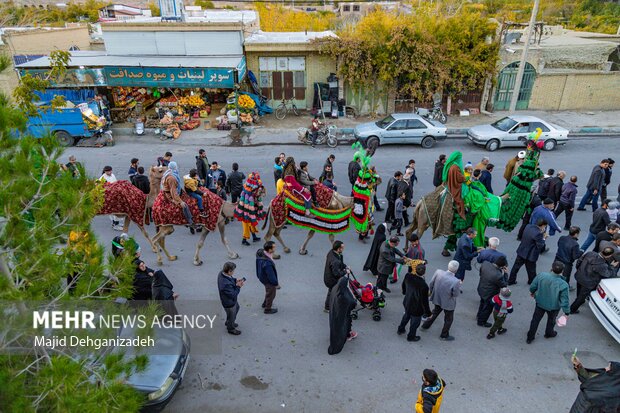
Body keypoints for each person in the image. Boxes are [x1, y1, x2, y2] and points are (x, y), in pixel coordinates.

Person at [526, 261, 570, 344]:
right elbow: (565, 300)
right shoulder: (563, 284)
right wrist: (566, 312)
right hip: (554, 307)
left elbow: (533, 286)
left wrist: (533, 292)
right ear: (562, 271)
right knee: (551, 320)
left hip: (540, 302)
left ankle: (530, 337)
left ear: (552, 268)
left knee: (535, 320)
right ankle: (549, 333)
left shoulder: (542, 275)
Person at [421, 261, 462, 341]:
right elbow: (455, 294)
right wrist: (459, 285)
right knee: (448, 319)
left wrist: (432, 292)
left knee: (435, 312)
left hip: (437, 298)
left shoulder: (438, 272)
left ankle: (425, 325)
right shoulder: (456, 281)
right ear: (456, 270)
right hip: (448, 303)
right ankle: (444, 335)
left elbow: (431, 284)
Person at [570, 248, 617, 314]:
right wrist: (612, 266)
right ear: (609, 256)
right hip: (588, 283)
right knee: (581, 297)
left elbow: (579, 261)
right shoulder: (602, 265)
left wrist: (579, 270)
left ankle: (579, 299)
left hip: (580, 275)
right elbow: (608, 275)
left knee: (579, 289)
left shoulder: (590, 253)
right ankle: (572, 309)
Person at [398, 264, 431, 342]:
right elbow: (424, 301)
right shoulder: (424, 285)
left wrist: (405, 292)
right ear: (424, 272)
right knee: (414, 323)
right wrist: (428, 313)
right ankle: (411, 337)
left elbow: (403, 286)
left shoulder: (408, 276)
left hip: (407, 302)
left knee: (406, 316)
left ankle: (401, 329)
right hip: (417, 308)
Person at [508, 219, 547, 285]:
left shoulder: (528, 226)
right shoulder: (538, 234)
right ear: (542, 225)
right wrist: (544, 237)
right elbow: (540, 246)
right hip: (530, 254)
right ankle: (531, 282)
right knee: (531, 270)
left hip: (522, 250)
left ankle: (511, 280)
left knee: (516, 267)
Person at [476, 256, 508, 327]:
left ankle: (479, 315)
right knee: (487, 308)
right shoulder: (498, 275)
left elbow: (481, 273)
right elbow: (504, 285)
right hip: (490, 294)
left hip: (481, 289)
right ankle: (481, 321)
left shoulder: (485, 263)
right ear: (502, 266)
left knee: (482, 303)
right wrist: (505, 274)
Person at [234, 172, 266, 246]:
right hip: (246, 210)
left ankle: (254, 237)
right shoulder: (249, 193)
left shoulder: (249, 189)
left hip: (249, 209)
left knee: (251, 223)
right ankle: (244, 240)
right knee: (247, 224)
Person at [162, 161, 195, 228]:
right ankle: (189, 222)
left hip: (174, 191)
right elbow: (173, 191)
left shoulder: (169, 173)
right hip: (171, 195)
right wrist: (180, 201)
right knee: (185, 205)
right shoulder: (172, 178)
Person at [218, 262, 244, 335]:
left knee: (237, 308)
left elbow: (230, 278)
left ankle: (229, 322)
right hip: (229, 302)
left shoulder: (222, 273)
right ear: (229, 271)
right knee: (232, 313)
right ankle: (231, 328)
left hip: (230, 301)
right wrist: (238, 286)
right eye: (233, 271)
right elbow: (233, 294)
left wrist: (235, 280)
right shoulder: (225, 284)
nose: (234, 272)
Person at [324, 241, 349, 312]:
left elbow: (340, 263)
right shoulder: (335, 261)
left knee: (334, 291)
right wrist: (346, 271)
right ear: (338, 249)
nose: (343, 249)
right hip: (331, 280)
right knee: (332, 292)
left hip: (328, 276)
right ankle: (327, 307)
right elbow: (337, 274)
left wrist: (345, 266)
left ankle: (331, 305)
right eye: (342, 248)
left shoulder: (331, 252)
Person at [256, 241, 279, 314]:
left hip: (261, 276)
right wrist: (276, 284)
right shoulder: (267, 263)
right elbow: (271, 276)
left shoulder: (261, 253)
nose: (275, 248)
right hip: (267, 280)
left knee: (268, 291)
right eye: (274, 247)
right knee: (271, 294)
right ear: (269, 250)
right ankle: (267, 309)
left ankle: (265, 303)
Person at [442, 152, 466, 219]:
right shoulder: (455, 167)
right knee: (464, 195)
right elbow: (460, 178)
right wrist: (466, 178)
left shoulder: (450, 164)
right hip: (454, 185)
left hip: (449, 182)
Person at [99, 166, 123, 230]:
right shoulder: (102, 178)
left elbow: (116, 183)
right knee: (114, 211)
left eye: (110, 171)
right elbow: (101, 188)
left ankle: (116, 223)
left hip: (115, 195)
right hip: (109, 197)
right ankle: (115, 225)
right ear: (105, 171)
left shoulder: (112, 175)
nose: (110, 172)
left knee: (116, 210)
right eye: (108, 171)